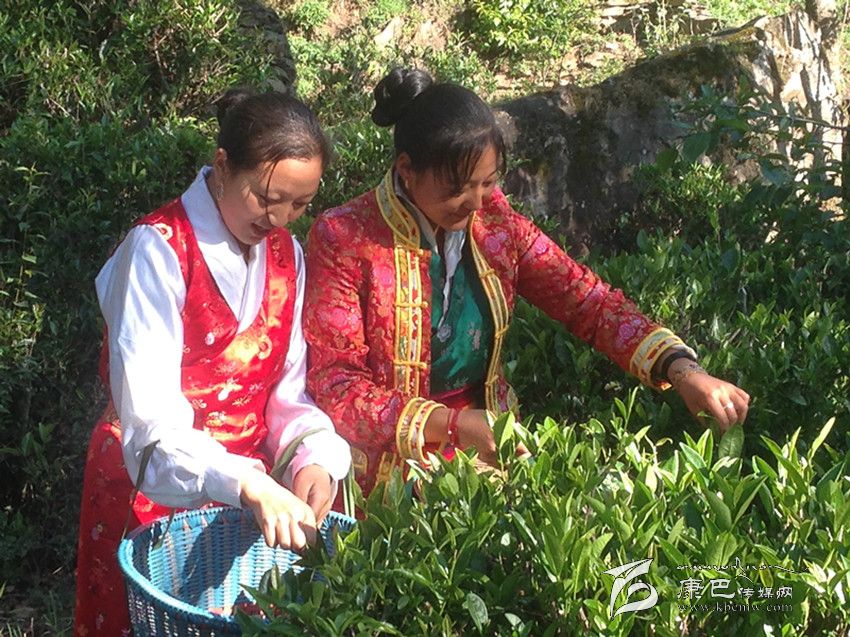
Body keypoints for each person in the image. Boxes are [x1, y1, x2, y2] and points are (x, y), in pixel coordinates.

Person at [303, 67, 749, 498]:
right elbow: (337, 385)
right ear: (407, 169)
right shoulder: (345, 237)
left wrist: (683, 370)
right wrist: (451, 426)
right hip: (386, 473)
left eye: (488, 182)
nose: (475, 202)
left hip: (490, 449)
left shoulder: (494, 222)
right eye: (458, 187)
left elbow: (584, 299)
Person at [73, 88, 351, 636]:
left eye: (299, 204)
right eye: (267, 197)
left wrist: (311, 460)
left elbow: (286, 391)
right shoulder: (158, 249)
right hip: (148, 485)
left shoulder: (287, 255)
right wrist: (244, 482)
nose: (279, 218)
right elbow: (150, 421)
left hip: (248, 496)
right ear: (222, 167)